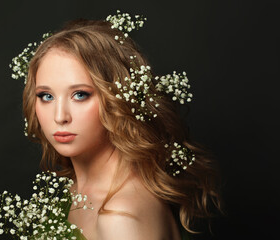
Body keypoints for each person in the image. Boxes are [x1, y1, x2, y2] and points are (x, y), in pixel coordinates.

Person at [20, 12, 221, 240]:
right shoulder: (76, 189)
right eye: (46, 96)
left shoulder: (120, 218)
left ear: (116, 99)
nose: (60, 116)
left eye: (80, 95)